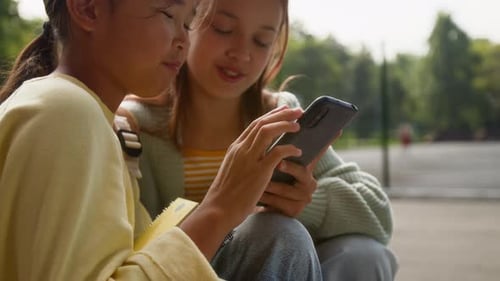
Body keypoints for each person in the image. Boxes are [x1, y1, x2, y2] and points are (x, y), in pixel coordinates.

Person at [0, 0, 321, 280]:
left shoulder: (92, 120)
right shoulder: (66, 111)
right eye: (168, 14)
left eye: (189, 21)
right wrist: (219, 208)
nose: (184, 38)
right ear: (88, 8)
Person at [117, 0, 399, 280]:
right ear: (186, 21)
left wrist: (305, 204)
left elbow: (378, 213)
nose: (242, 53)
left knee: (363, 254)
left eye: (262, 41)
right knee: (276, 233)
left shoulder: (281, 116)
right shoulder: (135, 128)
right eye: (223, 29)